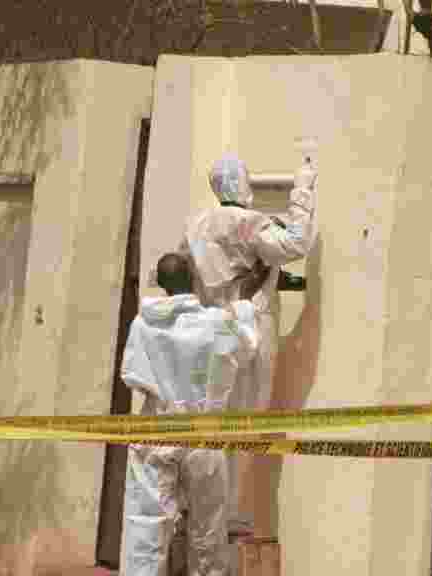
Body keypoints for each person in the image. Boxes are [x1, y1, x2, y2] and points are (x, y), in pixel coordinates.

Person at [179, 152, 318, 538]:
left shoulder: (195, 225)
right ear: (241, 183)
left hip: (207, 333)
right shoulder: (248, 223)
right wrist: (303, 189)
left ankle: (202, 511)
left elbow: (179, 271)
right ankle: (231, 514)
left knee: (209, 422)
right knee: (246, 420)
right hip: (249, 330)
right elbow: (296, 242)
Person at [120, 252, 270, 576]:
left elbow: (132, 374)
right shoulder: (213, 323)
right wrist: (248, 292)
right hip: (202, 436)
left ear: (162, 285)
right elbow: (246, 342)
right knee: (207, 532)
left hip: (156, 430)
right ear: (193, 279)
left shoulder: (142, 324)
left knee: (146, 528)